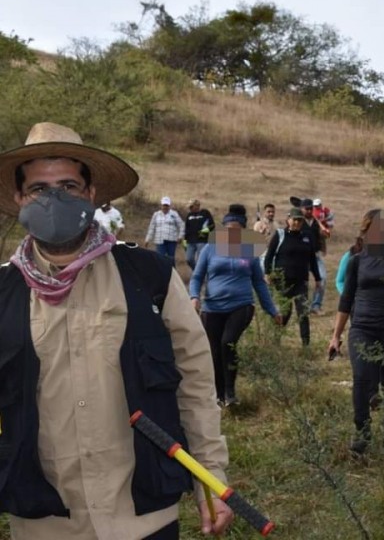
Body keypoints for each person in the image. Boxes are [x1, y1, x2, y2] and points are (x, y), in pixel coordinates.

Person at [0, 122, 232, 539]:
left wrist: (210, 480)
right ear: (19, 199)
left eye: (68, 186)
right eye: (39, 189)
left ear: (91, 195)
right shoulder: (2, 293)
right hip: (45, 523)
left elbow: (195, 384)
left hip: (143, 517)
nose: (54, 199)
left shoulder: (150, 276)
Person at [329, 209, 384, 454]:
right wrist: (336, 335)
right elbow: (345, 300)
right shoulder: (357, 260)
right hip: (361, 327)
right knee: (362, 379)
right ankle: (362, 434)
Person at [190, 204, 280, 406]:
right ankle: (218, 395)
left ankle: (230, 393)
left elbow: (258, 282)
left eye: (236, 230)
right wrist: (194, 296)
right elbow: (197, 277)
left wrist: (271, 310)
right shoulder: (210, 248)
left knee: (227, 343)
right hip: (212, 308)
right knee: (214, 351)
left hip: (241, 305)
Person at [264, 207, 322, 346]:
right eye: (295, 220)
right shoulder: (280, 235)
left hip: (301, 282)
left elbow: (312, 259)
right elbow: (269, 256)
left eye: (300, 220)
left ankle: (306, 345)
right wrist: (267, 273)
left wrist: (318, 278)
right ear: (288, 220)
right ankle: (276, 341)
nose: (297, 223)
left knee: (303, 313)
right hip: (282, 282)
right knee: (285, 313)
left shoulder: (306, 237)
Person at [144, 196, 185, 266]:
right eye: (164, 205)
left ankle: (173, 274)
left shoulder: (174, 214)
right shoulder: (156, 214)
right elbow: (152, 227)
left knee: (171, 258)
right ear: (161, 205)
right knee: (160, 257)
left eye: (167, 205)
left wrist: (180, 236)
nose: (165, 207)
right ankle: (161, 275)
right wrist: (147, 239)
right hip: (159, 240)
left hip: (172, 239)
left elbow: (182, 225)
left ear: (169, 205)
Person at [310, 197, 333, 315]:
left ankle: (316, 305)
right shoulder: (299, 222)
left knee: (322, 278)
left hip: (316, 255)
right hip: (302, 256)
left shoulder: (317, 222)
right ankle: (302, 307)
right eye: (308, 208)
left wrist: (324, 247)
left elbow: (324, 235)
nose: (310, 210)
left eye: (311, 208)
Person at [184, 199, 215, 270]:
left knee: (200, 260)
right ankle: (197, 271)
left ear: (197, 206)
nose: (190, 208)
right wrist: (185, 242)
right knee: (189, 259)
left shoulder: (205, 213)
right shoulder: (189, 215)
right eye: (190, 207)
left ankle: (200, 276)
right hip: (190, 241)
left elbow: (212, 225)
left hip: (202, 240)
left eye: (192, 206)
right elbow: (186, 228)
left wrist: (204, 231)